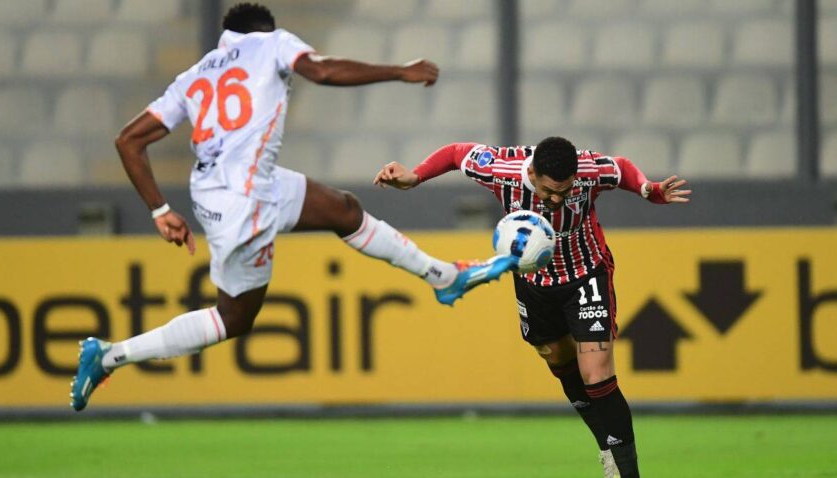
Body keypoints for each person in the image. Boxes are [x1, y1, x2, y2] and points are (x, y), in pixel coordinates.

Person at [70, 3, 514, 412]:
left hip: (222, 191)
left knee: (343, 209)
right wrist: (399, 71)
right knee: (233, 318)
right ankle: (111, 356)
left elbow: (128, 140)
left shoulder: (194, 75)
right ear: (265, 29)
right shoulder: (273, 42)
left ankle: (443, 277)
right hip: (247, 198)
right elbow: (321, 70)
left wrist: (160, 210)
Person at [373, 137, 691, 478]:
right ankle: (606, 445)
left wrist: (647, 188)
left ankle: (627, 472)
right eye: (548, 191)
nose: (556, 199)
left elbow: (622, 168)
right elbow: (455, 154)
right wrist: (415, 176)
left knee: (596, 374)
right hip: (534, 283)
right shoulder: (502, 169)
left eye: (564, 192)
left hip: (585, 275)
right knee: (557, 357)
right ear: (533, 173)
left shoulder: (588, 169)